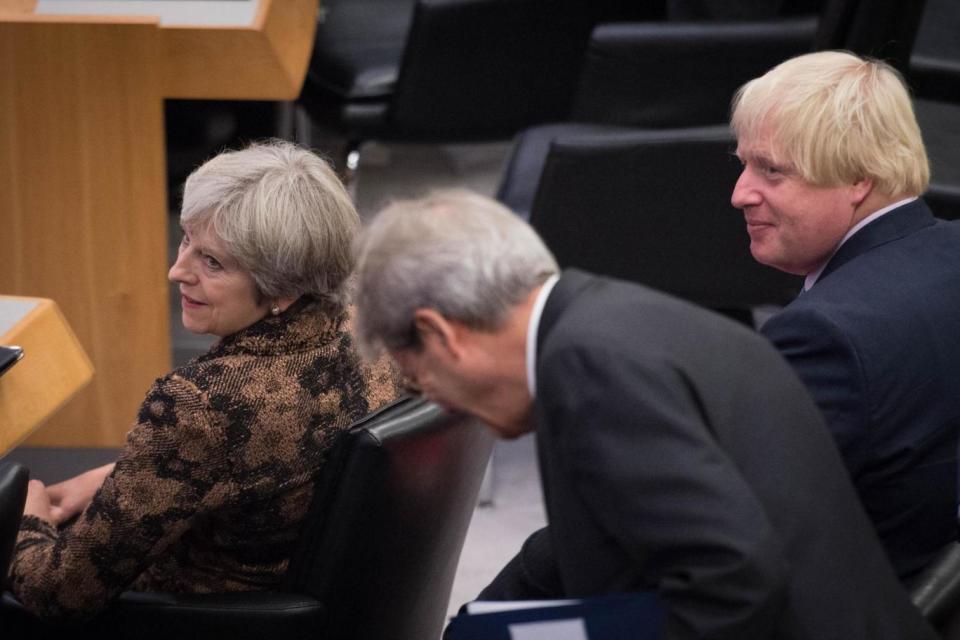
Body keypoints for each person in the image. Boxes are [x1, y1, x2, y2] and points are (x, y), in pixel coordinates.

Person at [353, 189, 935, 639]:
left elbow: (732, 584)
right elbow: (611, 525)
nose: (440, 402)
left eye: (417, 376)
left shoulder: (589, 368)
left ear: (439, 334)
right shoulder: (609, 319)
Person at [7, 141, 401, 621]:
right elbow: (272, 463)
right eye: (185, 240)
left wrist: (26, 518)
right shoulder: (369, 329)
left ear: (283, 286)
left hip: (193, 617)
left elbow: (58, 593)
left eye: (212, 262)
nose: (177, 271)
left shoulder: (200, 407)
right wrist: (122, 478)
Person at [730, 50, 960, 581]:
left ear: (858, 179)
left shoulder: (824, 337)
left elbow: (722, 520)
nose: (740, 193)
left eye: (771, 170)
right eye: (742, 163)